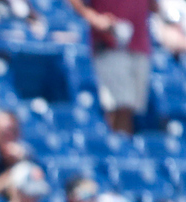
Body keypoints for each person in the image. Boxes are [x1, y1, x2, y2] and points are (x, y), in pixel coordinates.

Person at [66, 0, 158, 134]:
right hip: (110, 43)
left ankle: (124, 149)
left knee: (131, 108)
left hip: (139, 44)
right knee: (119, 106)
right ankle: (117, 150)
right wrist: (94, 18)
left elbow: (154, 7)